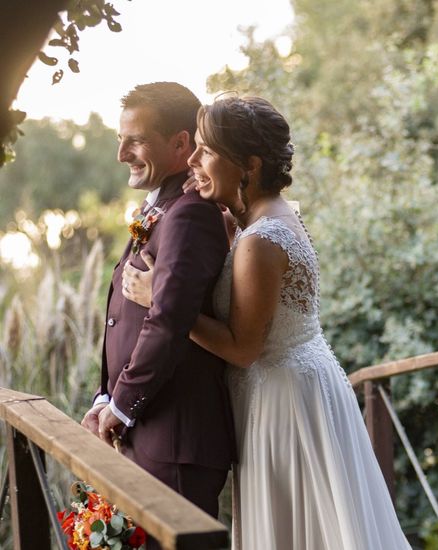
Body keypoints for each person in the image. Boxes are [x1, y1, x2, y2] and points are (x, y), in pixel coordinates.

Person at [122, 95, 411, 549]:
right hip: (301, 387)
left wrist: (164, 299)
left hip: (284, 404)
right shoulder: (266, 219)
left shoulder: (261, 238)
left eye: (207, 151)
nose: (193, 160)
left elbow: (243, 347)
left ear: (248, 166)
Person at [80, 82, 235, 527]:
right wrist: (105, 396)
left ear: (180, 142)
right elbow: (125, 319)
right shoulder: (163, 208)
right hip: (147, 431)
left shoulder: (188, 212)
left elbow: (167, 320)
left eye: (136, 140)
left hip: (174, 440)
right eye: (119, 140)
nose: (122, 153)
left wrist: (123, 405)